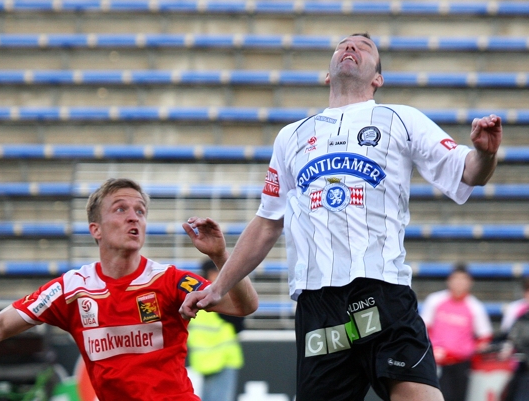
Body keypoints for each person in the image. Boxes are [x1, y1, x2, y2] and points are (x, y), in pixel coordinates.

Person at [180, 33, 503, 401]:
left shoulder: (401, 118)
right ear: (327, 74)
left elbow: (468, 172)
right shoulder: (292, 137)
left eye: (363, 48)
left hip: (382, 290)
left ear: (377, 78)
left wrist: (486, 154)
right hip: (319, 306)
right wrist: (219, 285)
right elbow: (267, 222)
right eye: (343, 45)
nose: (351, 48)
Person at [0, 178, 258, 401]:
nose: (134, 217)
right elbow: (3, 322)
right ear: (96, 230)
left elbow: (245, 305)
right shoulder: (73, 289)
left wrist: (220, 255)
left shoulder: (169, 280)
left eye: (140, 211)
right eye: (120, 209)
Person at [420, 264, 493, 401]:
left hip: (461, 364)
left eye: (463, 279)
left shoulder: (474, 306)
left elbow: (485, 336)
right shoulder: (435, 300)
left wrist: (468, 350)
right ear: (449, 280)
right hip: (436, 362)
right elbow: (424, 327)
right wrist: (432, 350)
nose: (459, 283)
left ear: (469, 282)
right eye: (456, 278)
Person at [187, 259, 245, 401]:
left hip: (203, 361)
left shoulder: (194, 298)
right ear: (211, 273)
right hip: (222, 359)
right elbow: (239, 323)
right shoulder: (218, 298)